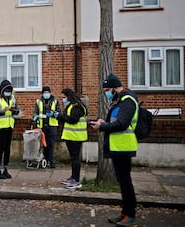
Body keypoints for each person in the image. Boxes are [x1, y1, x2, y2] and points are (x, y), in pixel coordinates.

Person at [90, 74, 138, 227]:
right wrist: (103, 122)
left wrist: (102, 127)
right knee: (122, 181)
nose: (106, 93)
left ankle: (130, 215)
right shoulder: (118, 101)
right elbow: (116, 122)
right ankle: (125, 212)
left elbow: (122, 124)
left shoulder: (128, 101)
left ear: (114, 88)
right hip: (117, 146)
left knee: (125, 181)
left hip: (124, 146)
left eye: (107, 90)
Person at [54, 88, 87, 189]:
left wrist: (58, 116)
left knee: (75, 158)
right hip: (72, 136)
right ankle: (73, 177)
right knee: (73, 159)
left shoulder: (77, 107)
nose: (63, 99)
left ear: (69, 96)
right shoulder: (72, 106)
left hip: (75, 136)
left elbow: (73, 120)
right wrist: (58, 115)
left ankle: (76, 180)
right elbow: (66, 117)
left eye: (64, 97)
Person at [0, 80, 20, 179]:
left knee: (7, 148)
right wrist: (3, 111)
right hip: (0, 126)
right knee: (1, 147)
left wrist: (13, 110)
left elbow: (17, 111)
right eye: (6, 90)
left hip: (9, 126)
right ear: (2, 90)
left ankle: (6, 169)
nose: (8, 92)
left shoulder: (12, 98)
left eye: (9, 90)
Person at [33, 86, 60, 168]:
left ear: (50, 92)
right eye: (44, 92)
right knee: (43, 144)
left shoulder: (55, 101)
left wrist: (54, 114)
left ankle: (50, 160)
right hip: (42, 125)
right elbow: (35, 112)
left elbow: (59, 112)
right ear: (42, 93)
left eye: (47, 92)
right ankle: (43, 159)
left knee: (51, 143)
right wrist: (36, 116)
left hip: (52, 125)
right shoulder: (38, 101)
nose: (46, 94)